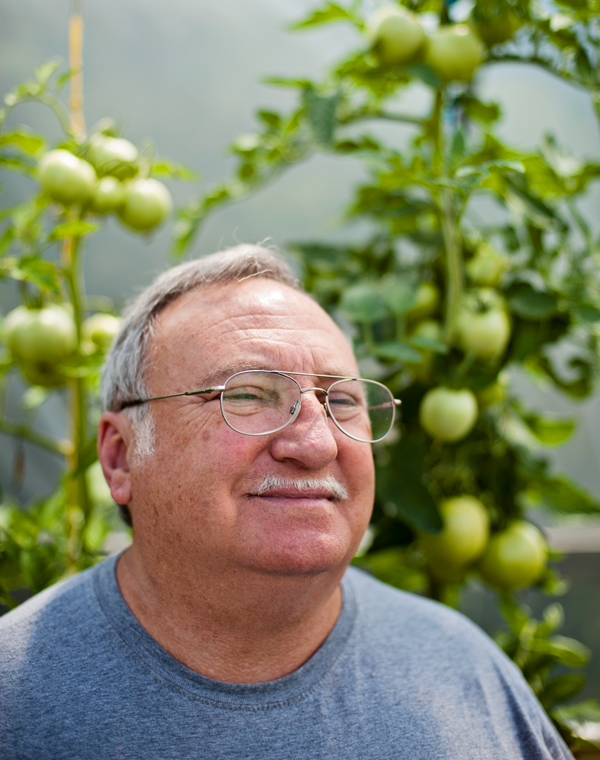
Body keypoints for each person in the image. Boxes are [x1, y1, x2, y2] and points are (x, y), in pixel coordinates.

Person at [0, 244, 573, 759]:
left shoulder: (463, 670)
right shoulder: (16, 699)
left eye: (342, 401)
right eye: (248, 394)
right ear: (122, 456)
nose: (317, 443)